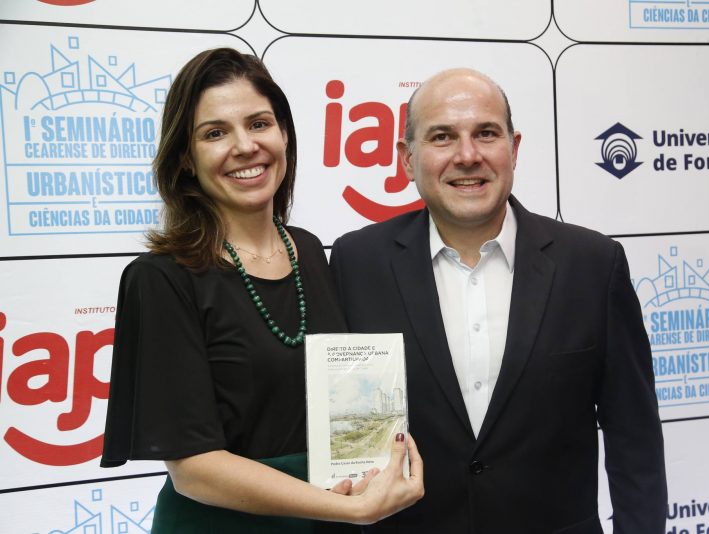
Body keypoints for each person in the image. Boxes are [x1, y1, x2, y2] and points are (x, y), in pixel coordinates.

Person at [329, 68, 667, 533]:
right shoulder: (356, 262)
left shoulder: (592, 265)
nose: (467, 156)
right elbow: (348, 439)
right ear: (407, 160)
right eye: (443, 137)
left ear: (514, 148)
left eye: (486, 133)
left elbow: (636, 441)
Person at [100, 48, 423, 533]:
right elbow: (194, 471)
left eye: (258, 123)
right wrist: (352, 510)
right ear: (186, 158)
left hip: (321, 516)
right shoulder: (161, 278)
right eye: (215, 133)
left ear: (284, 134)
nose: (245, 146)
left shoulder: (310, 251)